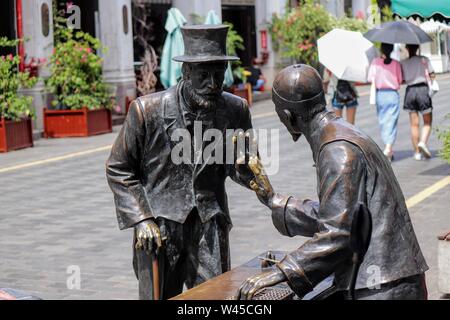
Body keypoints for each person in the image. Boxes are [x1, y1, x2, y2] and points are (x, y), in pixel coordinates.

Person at [235, 64, 428, 300]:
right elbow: (341, 217)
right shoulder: (340, 132)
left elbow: (338, 233)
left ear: (288, 116)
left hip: (382, 287)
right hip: (385, 280)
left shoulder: (336, 150)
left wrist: (281, 272)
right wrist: (271, 199)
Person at [106, 25, 255, 300]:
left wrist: (250, 172)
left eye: (219, 75)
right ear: (186, 73)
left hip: (210, 223)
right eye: (203, 75)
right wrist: (142, 219)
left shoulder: (236, 109)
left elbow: (239, 166)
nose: (212, 84)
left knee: (216, 298)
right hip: (160, 227)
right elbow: (119, 168)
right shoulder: (146, 111)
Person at [368, 43, 403, 161]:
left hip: (380, 94)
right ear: (392, 49)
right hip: (392, 94)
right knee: (392, 121)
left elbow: (370, 78)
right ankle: (389, 147)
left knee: (383, 121)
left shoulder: (375, 62)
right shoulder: (396, 64)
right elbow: (400, 80)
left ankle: (388, 147)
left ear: (381, 49)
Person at [401, 44, 435, 160]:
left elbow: (402, 79)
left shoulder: (403, 62)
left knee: (414, 124)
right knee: (427, 121)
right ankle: (423, 142)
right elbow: (432, 74)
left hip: (410, 91)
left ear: (407, 48)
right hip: (423, 90)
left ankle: (417, 153)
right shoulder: (424, 59)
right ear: (417, 48)